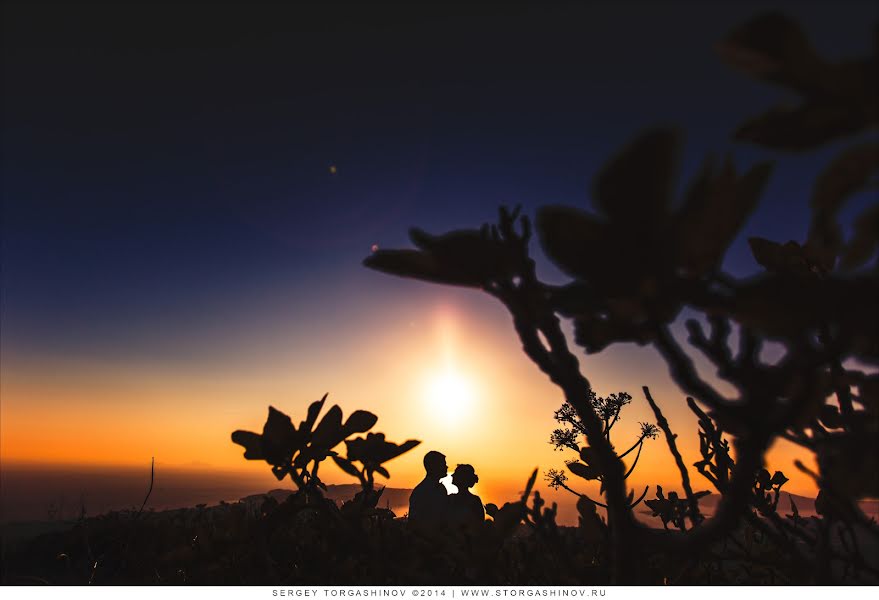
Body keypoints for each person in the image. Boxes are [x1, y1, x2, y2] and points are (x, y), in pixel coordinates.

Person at [408, 450, 448, 535]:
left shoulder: (442, 489)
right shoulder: (420, 492)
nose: (446, 467)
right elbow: (414, 523)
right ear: (434, 466)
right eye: (443, 464)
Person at [447, 463, 484, 533]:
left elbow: (479, 525)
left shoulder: (474, 501)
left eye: (456, 473)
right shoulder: (450, 498)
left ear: (462, 478)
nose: (452, 475)